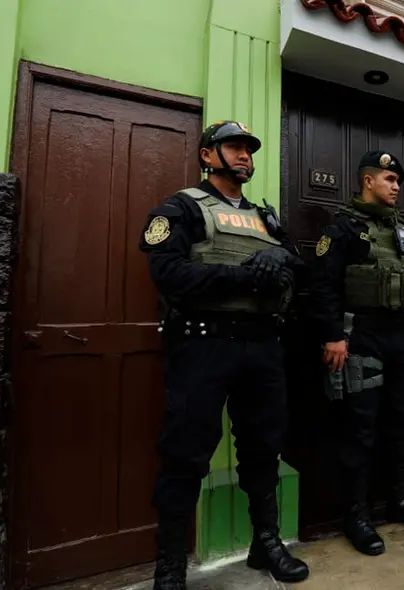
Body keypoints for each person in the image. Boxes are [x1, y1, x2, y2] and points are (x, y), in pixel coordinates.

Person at [139, 120, 309, 588]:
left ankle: (266, 542)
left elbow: (296, 264)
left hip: (263, 347)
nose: (244, 156)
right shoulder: (181, 208)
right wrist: (243, 277)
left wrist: (283, 261)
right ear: (208, 155)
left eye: (249, 150)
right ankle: (170, 565)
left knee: (263, 448)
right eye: (233, 148)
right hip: (203, 344)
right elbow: (168, 273)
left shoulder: (266, 217)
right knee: (185, 454)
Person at [308, 150, 404, 556]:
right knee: (360, 429)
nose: (396, 186)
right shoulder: (344, 228)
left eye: (398, 180)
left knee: (403, 422)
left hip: (403, 338)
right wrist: (333, 335)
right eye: (388, 179)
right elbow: (324, 286)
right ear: (368, 181)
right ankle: (357, 515)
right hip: (362, 336)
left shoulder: (403, 231)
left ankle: (399, 500)